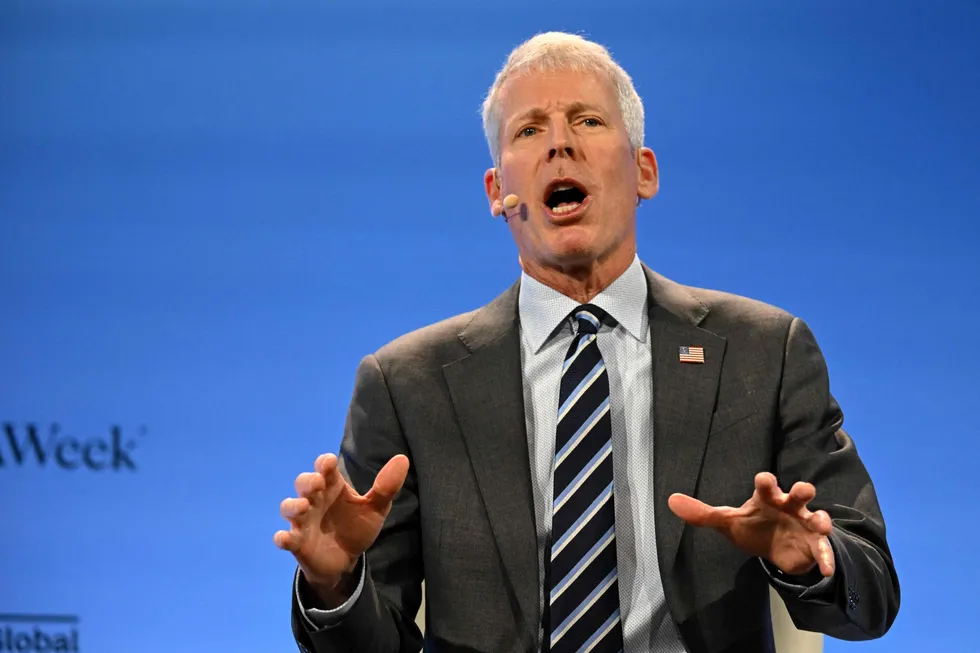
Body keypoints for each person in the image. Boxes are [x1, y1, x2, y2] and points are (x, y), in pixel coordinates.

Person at [273, 32, 900, 653]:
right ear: (497, 194)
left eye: (588, 121)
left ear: (643, 172)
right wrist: (334, 582)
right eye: (529, 131)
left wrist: (810, 558)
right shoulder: (406, 384)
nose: (560, 144)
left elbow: (871, 597)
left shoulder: (763, 352)